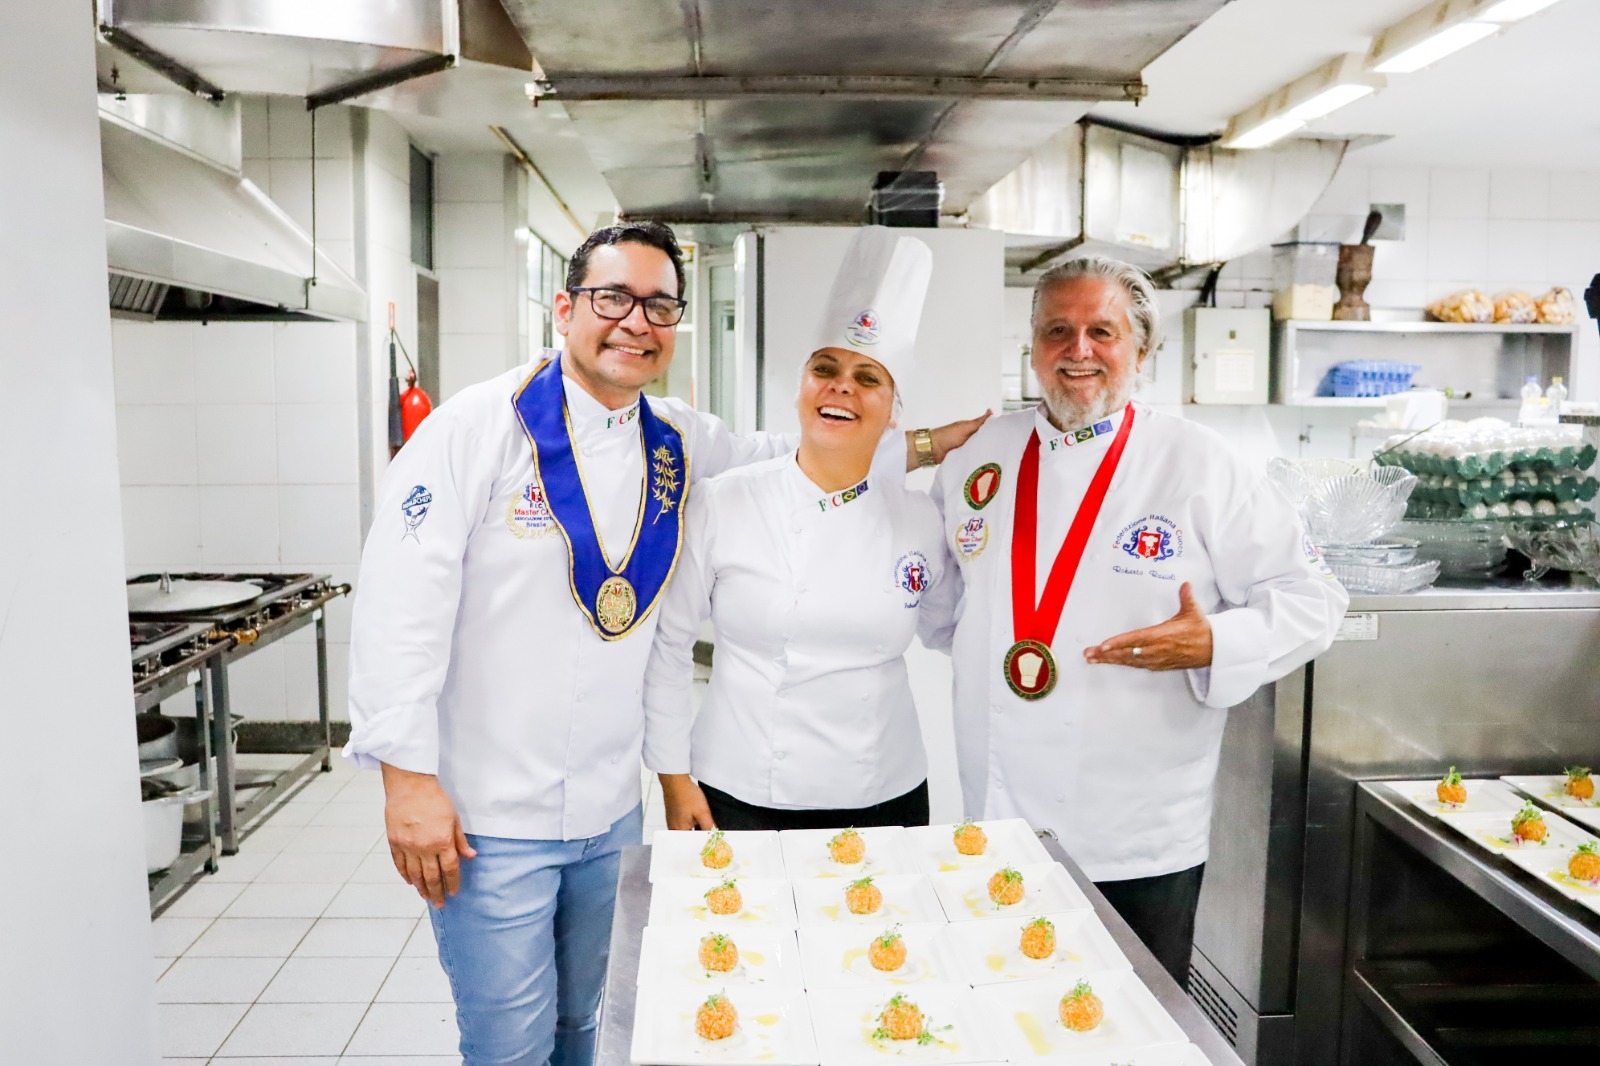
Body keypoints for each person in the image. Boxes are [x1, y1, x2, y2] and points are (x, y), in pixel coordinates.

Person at [345, 221, 987, 1066]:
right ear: (565, 306)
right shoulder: (473, 430)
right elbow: (399, 602)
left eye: (658, 306)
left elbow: (799, 460)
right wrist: (407, 779)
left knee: (591, 1023)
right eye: (613, 298)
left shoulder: (673, 439)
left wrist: (942, 443)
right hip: (488, 810)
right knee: (507, 1044)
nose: (634, 322)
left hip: (610, 809)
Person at [919, 255, 1348, 983]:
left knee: (1131, 1025)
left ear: (1141, 353)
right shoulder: (978, 459)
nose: (1078, 350)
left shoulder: (1198, 461)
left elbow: (1314, 598)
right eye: (1058, 330)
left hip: (1137, 828)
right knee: (1001, 1006)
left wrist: (1217, 639)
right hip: (996, 810)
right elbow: (943, 611)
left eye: (1101, 331)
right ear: (1032, 345)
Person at [644, 227, 961, 832]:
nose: (842, 385)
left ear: (894, 411)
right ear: (800, 389)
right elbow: (669, 647)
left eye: (869, 377)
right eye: (826, 368)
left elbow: (955, 629)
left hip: (884, 791)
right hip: (736, 788)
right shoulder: (722, 501)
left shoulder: (919, 520)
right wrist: (672, 776)